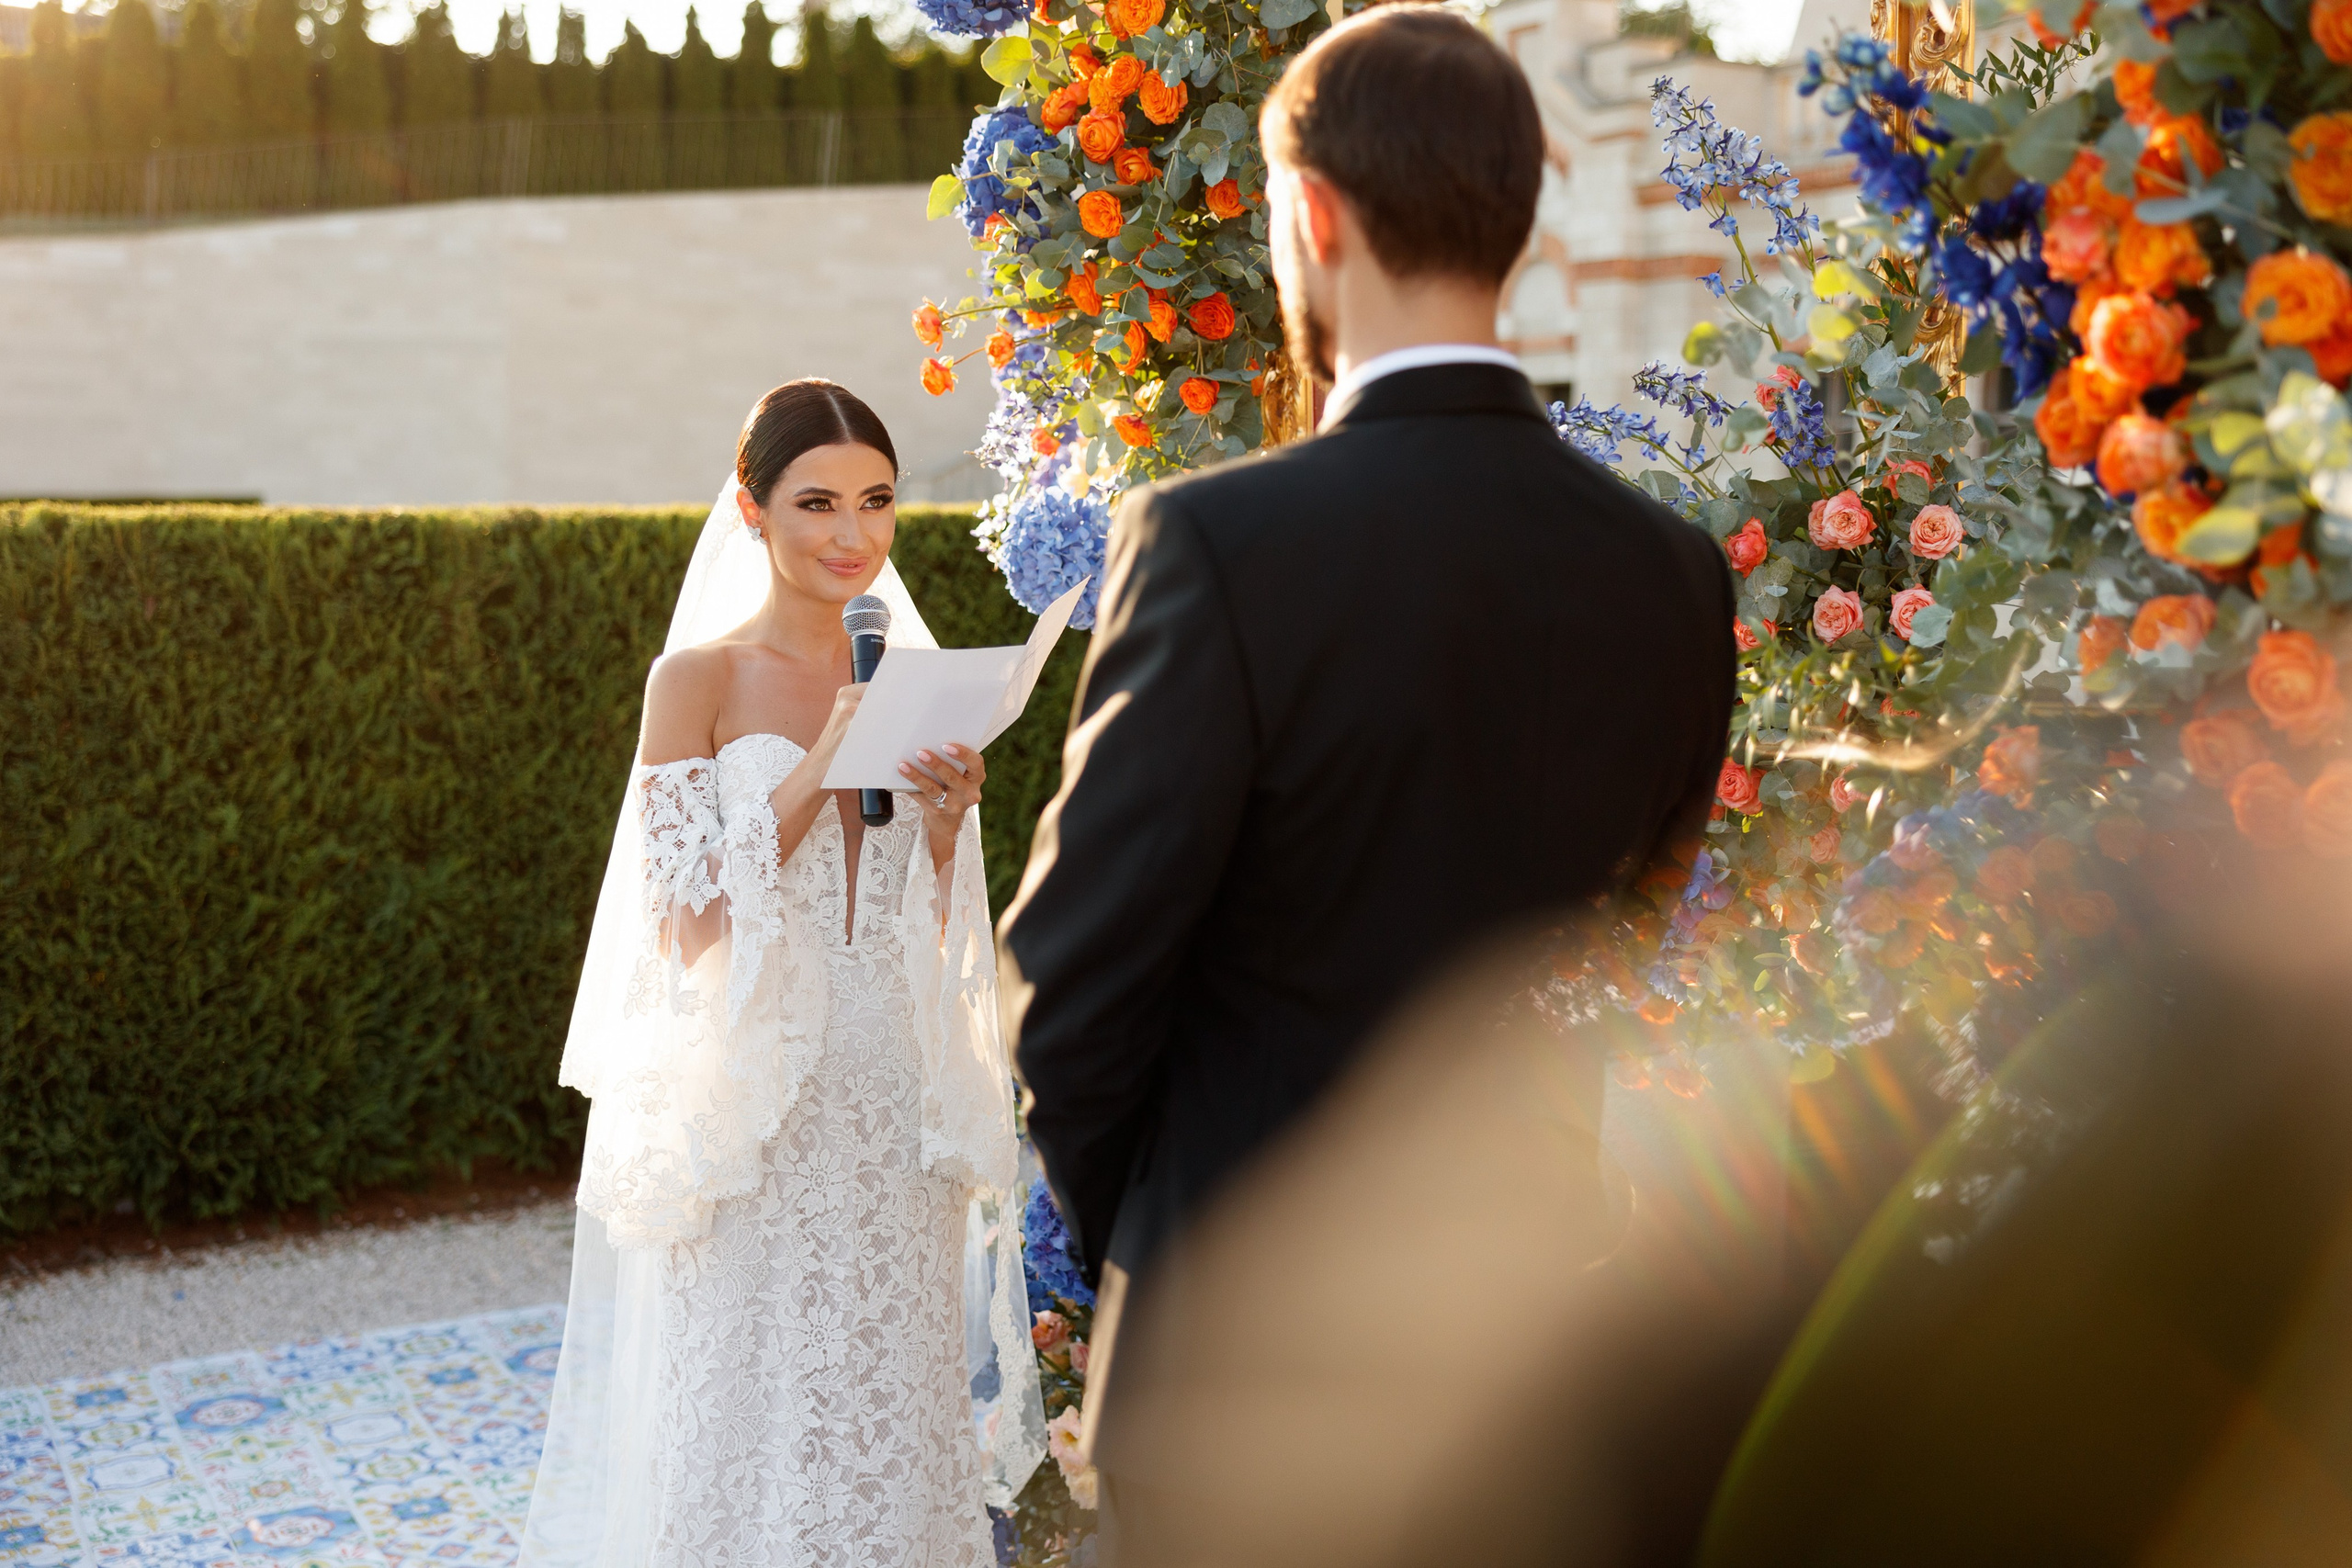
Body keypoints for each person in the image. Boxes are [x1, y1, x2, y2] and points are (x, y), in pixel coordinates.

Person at [995, 4, 1736, 1550]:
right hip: (1542, 1369)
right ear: (1517, 231)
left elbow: (1067, 994)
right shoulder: (1672, 576)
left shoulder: (1213, 545)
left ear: (1312, 219)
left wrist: (1183, 1235)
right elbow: (1619, 956)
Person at [519, 379, 1044, 1568]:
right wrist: (820, 760)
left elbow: (930, 925)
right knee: (751, 1423)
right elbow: (692, 924)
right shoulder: (694, 683)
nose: (851, 534)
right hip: (760, 1125)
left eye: (876, 501)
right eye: (816, 502)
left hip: (895, 1118)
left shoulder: (920, 678)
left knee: (893, 1425)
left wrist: (953, 828)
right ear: (752, 509)